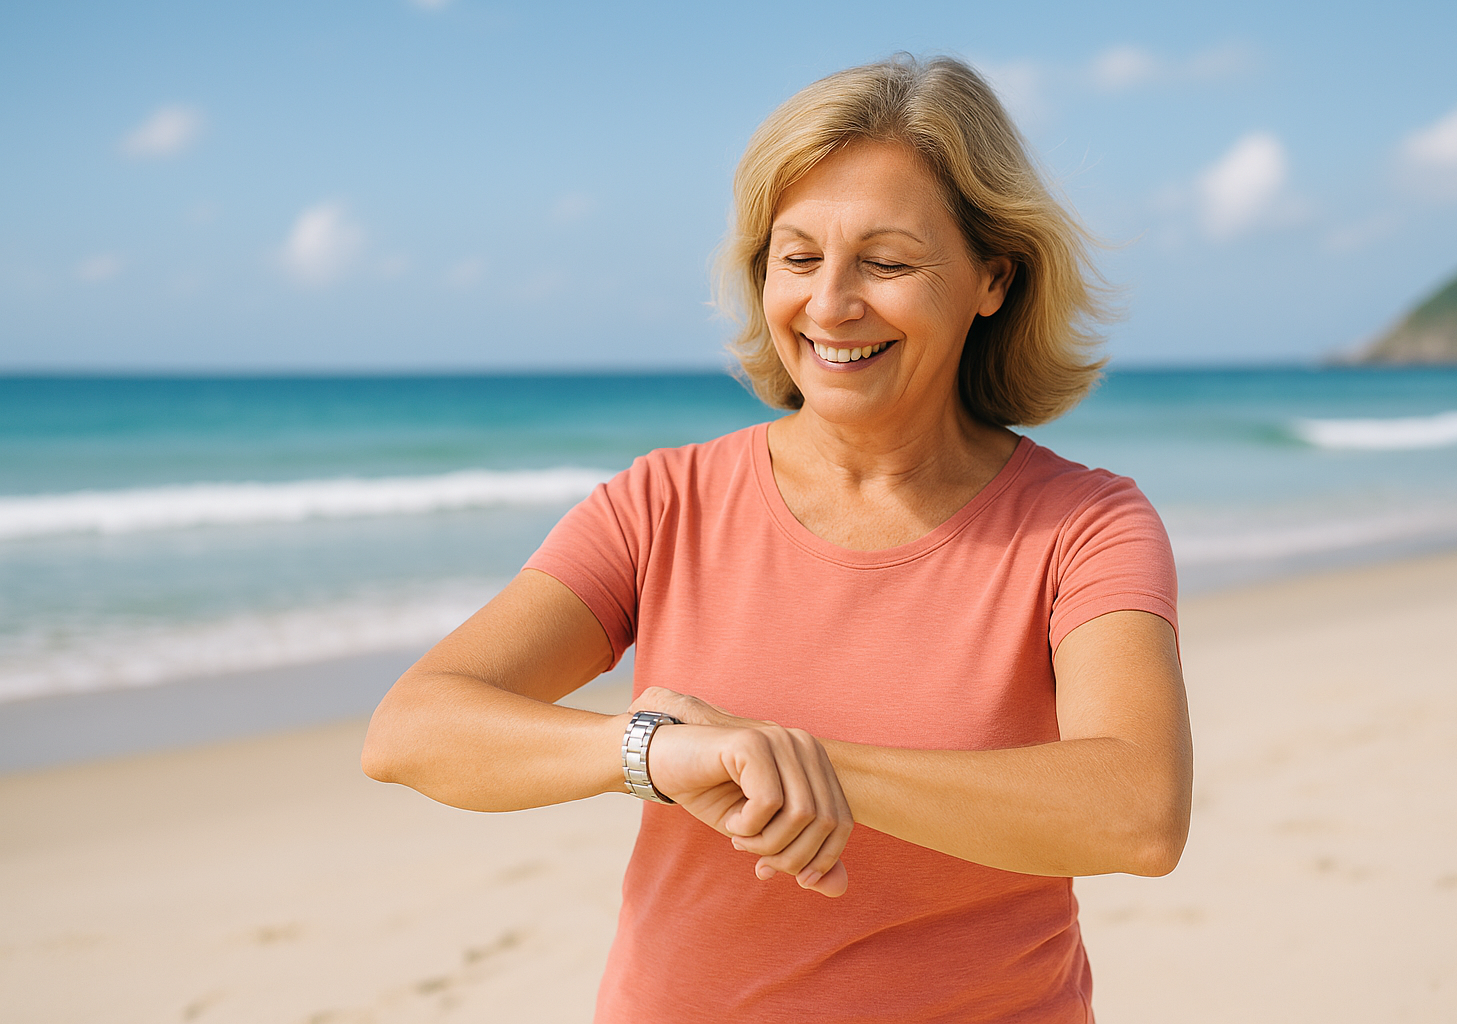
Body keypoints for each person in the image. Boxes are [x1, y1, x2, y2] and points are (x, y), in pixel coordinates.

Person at [363, 53, 1191, 1023]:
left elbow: (1139, 810)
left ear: (992, 278)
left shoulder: (1085, 527)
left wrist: (802, 766)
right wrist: (656, 753)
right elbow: (412, 729)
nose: (831, 304)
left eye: (885, 262)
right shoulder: (662, 504)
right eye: (798, 258)